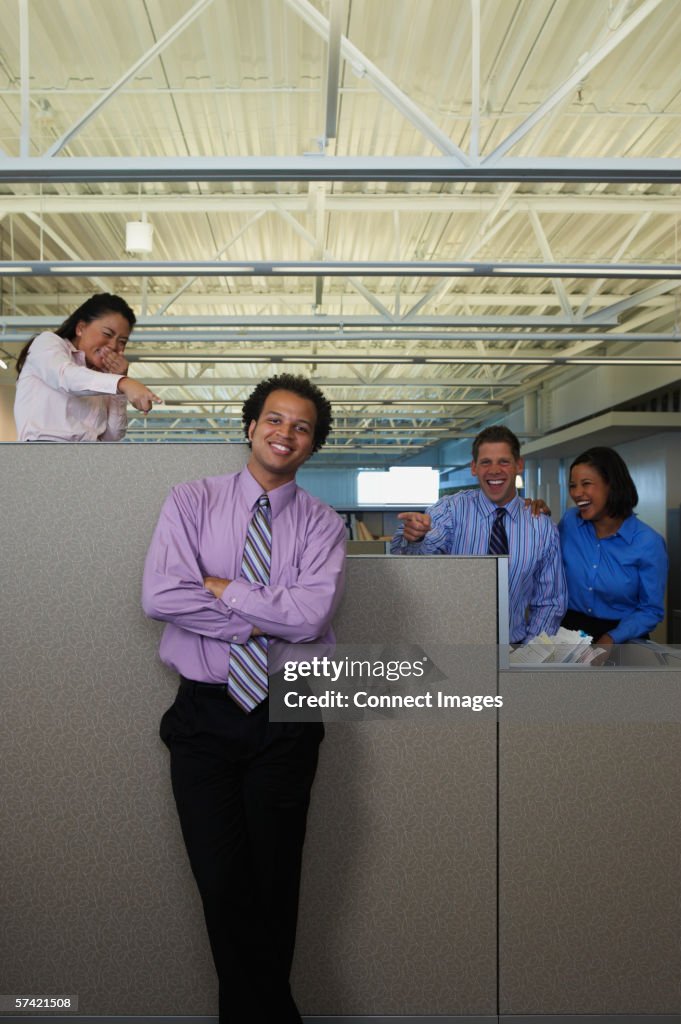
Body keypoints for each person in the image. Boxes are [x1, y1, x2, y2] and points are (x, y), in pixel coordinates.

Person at [142, 373, 347, 1024]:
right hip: (203, 714)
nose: (285, 433)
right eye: (275, 419)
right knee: (222, 883)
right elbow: (160, 597)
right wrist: (259, 618)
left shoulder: (322, 523)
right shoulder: (191, 500)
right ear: (250, 425)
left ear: (312, 445)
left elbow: (311, 617)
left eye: (301, 426)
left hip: (286, 712)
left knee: (274, 884)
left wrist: (221, 587)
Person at [391, 425, 567, 643]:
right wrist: (415, 537)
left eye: (503, 461)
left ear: (518, 466)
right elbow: (407, 561)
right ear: (474, 467)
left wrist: (529, 654)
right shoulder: (450, 510)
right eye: (486, 462)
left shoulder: (542, 528)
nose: (494, 470)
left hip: (513, 648)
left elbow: (550, 602)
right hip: (452, 645)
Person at [14, 292, 159, 441]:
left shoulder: (102, 377)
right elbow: (67, 378)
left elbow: (112, 437)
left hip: (87, 458)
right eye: (107, 334)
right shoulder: (47, 343)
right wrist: (123, 383)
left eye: (122, 341)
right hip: (43, 452)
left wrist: (119, 385)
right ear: (81, 328)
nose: (113, 346)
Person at [559, 446, 668, 645]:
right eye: (573, 485)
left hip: (622, 638)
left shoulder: (648, 542)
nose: (576, 493)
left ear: (612, 485)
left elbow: (651, 610)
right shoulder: (570, 522)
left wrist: (612, 638)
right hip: (569, 634)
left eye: (586, 484)